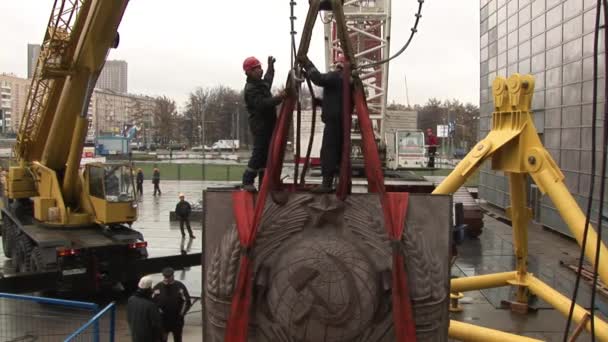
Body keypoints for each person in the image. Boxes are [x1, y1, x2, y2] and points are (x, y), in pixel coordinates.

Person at [300, 54, 347, 193]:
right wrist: (321, 102)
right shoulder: (346, 80)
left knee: (328, 151)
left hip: (333, 122)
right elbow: (338, 100)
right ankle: (338, 183)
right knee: (337, 152)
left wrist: (308, 64)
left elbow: (319, 79)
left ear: (338, 65)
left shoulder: (337, 76)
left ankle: (326, 184)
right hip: (341, 121)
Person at [240, 56, 287, 192]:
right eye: (256, 69)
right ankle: (247, 180)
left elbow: (268, 80)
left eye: (260, 68)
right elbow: (262, 104)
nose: (260, 71)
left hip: (268, 123)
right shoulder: (251, 89)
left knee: (267, 154)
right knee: (259, 152)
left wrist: (271, 67)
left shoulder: (259, 84)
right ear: (249, 72)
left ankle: (264, 182)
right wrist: (280, 98)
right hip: (260, 125)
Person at [152, 267, 192, 342]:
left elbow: (187, 301)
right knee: (163, 339)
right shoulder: (157, 287)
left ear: (173, 276)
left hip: (177, 320)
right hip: (163, 320)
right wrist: (157, 312)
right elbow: (152, 302)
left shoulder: (180, 286)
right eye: (165, 277)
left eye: (168, 277)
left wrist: (181, 314)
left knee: (177, 339)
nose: (166, 279)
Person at [127, 276, 163, 342]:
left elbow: (129, 318)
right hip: (148, 337)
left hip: (135, 335)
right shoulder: (151, 305)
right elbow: (156, 325)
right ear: (149, 288)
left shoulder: (131, 299)